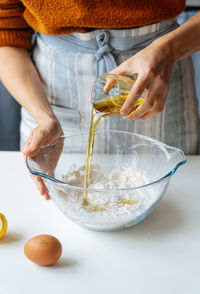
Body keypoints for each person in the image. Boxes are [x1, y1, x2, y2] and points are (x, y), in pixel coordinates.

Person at [0, 1, 200, 200]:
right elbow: (5, 30)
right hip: (48, 92)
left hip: (159, 77)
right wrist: (44, 117)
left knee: (178, 199)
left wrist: (169, 49)